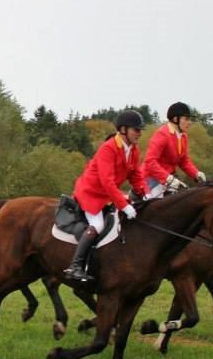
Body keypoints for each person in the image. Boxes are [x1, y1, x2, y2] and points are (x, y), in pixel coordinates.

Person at [63, 110, 149, 283]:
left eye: (140, 130)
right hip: (91, 193)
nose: (139, 134)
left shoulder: (133, 149)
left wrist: (145, 193)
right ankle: (75, 266)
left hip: (107, 194)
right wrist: (124, 205)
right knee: (98, 224)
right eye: (136, 130)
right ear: (123, 129)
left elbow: (135, 175)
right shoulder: (108, 148)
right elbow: (107, 182)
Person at [142, 101, 207, 199]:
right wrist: (167, 178)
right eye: (186, 119)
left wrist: (196, 173)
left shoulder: (183, 136)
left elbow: (184, 161)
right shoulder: (162, 134)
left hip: (170, 179)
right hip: (151, 179)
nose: (190, 123)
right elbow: (150, 162)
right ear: (175, 119)